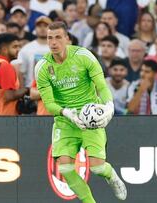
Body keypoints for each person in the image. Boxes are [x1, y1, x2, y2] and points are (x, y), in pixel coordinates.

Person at [35, 21, 126, 203]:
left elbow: (102, 85)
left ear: (67, 39)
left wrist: (108, 106)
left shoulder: (84, 56)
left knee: (97, 168)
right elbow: (49, 103)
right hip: (65, 119)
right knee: (65, 168)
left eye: (58, 37)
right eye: (49, 38)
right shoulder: (42, 67)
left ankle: (112, 176)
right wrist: (67, 113)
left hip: (90, 117)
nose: (53, 43)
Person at [0, 33, 29, 115]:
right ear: (4, 49)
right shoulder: (5, 66)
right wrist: (27, 90)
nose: (18, 49)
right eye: (14, 47)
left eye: (19, 46)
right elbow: (9, 96)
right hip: (2, 120)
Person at [17, 16, 52, 88]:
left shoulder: (56, 48)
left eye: (45, 26)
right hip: (31, 90)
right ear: (35, 28)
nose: (42, 28)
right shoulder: (26, 49)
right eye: (39, 26)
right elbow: (21, 72)